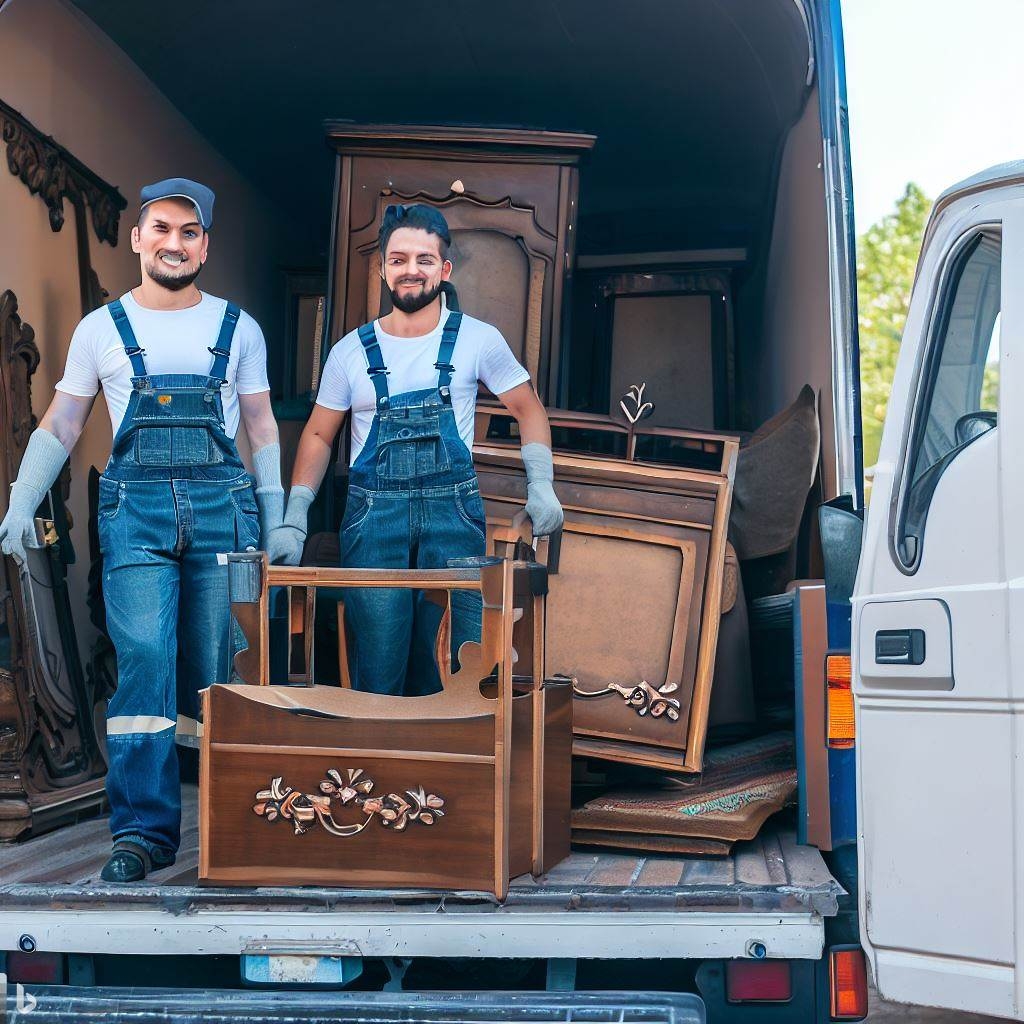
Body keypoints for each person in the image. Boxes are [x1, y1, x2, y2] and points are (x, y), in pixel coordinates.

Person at [0, 178, 287, 882]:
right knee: (146, 666)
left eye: (189, 233)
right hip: (137, 518)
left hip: (226, 513)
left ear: (205, 246)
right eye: (161, 228)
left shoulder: (238, 327)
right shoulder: (102, 328)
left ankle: (238, 828)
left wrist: (281, 515)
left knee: (222, 672)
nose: (173, 243)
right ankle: (143, 836)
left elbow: (259, 426)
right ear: (137, 237)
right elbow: (64, 421)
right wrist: (19, 500)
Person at [269, 203, 562, 694]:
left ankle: (447, 769)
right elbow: (319, 434)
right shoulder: (350, 352)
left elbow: (528, 408)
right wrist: (296, 514)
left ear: (444, 270)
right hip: (373, 521)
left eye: (424, 260)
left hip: (453, 519)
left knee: (454, 666)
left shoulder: (477, 340)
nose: (411, 270)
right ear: (383, 268)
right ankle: (376, 768)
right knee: (379, 665)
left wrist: (542, 484)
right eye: (399, 259)